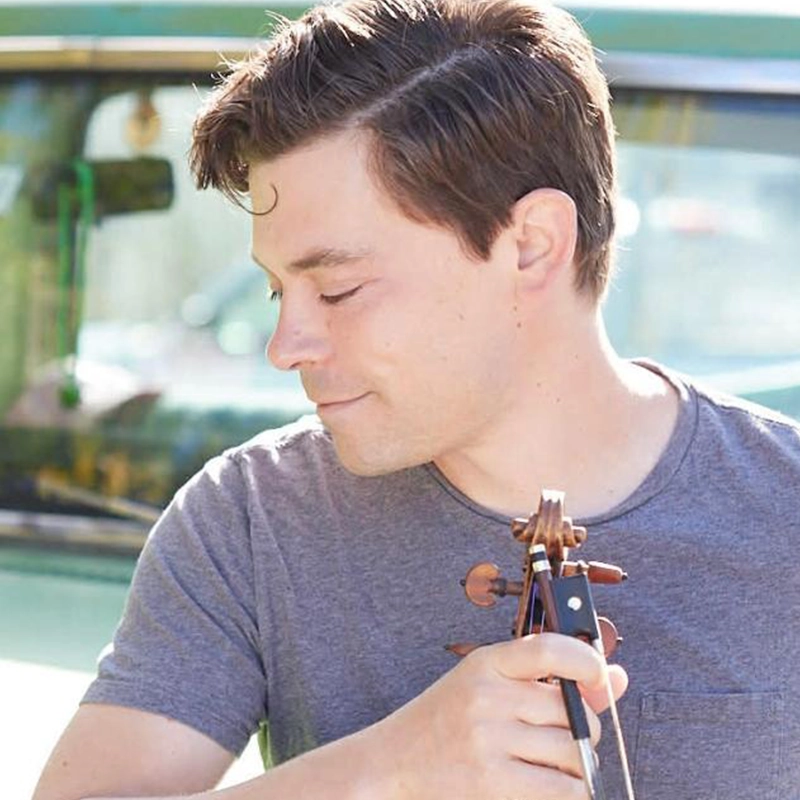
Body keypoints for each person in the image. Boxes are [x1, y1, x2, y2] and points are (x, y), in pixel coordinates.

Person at [33, 0, 800, 798]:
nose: (285, 346)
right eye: (275, 292)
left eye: (338, 287)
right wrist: (386, 768)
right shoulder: (251, 518)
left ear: (532, 246)